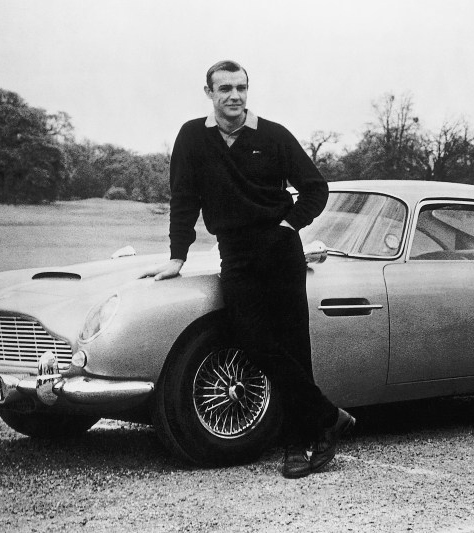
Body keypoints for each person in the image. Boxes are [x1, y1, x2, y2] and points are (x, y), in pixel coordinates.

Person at [142, 60, 354, 478]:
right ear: (209, 93)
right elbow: (184, 199)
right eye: (224, 89)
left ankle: (298, 443)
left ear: (247, 90)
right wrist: (176, 257)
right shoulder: (191, 137)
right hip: (234, 252)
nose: (233, 96)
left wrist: (288, 223)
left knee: (293, 345)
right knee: (251, 340)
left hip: (279, 249)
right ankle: (329, 417)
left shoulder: (272, 135)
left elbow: (315, 188)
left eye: (240, 88)